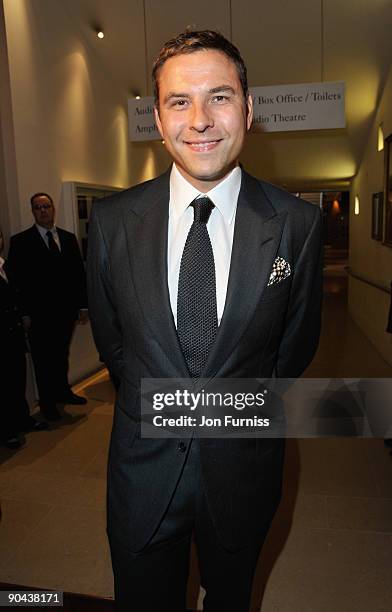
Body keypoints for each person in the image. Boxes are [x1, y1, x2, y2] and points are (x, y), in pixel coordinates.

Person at [87, 30, 323, 612]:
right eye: (179, 101)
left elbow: (291, 353)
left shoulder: (296, 224)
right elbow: (116, 346)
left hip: (244, 470)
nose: (200, 120)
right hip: (142, 471)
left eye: (219, 97)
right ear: (159, 119)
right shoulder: (113, 221)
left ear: (249, 108)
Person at [7, 193, 88, 421]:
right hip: (38, 315)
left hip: (65, 312)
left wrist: (82, 305)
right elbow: (16, 281)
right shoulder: (21, 241)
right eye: (37, 207)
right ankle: (48, 403)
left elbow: (77, 274)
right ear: (33, 212)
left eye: (46, 206)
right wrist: (23, 312)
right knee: (43, 360)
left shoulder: (68, 238)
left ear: (53, 209)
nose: (43, 210)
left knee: (61, 354)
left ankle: (63, 392)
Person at [0, 227, 48, 448]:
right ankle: (6, 431)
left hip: (14, 336)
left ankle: (22, 419)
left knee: (17, 380)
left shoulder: (5, 265)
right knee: (4, 386)